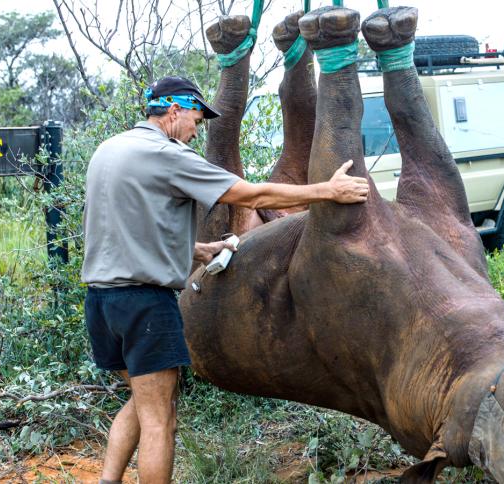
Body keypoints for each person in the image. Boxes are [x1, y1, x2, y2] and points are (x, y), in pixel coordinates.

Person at [82, 76, 369, 484]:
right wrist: (327, 190)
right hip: (144, 304)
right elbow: (252, 196)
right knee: (160, 419)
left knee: (144, 401)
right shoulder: (167, 154)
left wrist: (195, 251)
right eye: (195, 119)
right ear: (175, 110)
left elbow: (125, 226)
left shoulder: (110, 150)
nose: (197, 131)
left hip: (101, 303)